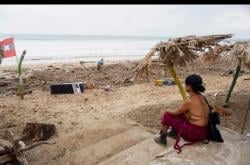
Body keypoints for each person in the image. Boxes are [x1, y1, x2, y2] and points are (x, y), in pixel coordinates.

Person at [154, 74, 209, 153]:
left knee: (167, 115)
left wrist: (166, 110)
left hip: (194, 134)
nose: (185, 86)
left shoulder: (189, 101)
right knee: (183, 113)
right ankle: (173, 133)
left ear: (189, 86)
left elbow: (176, 112)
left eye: (185, 84)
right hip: (204, 132)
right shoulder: (202, 97)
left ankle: (162, 139)